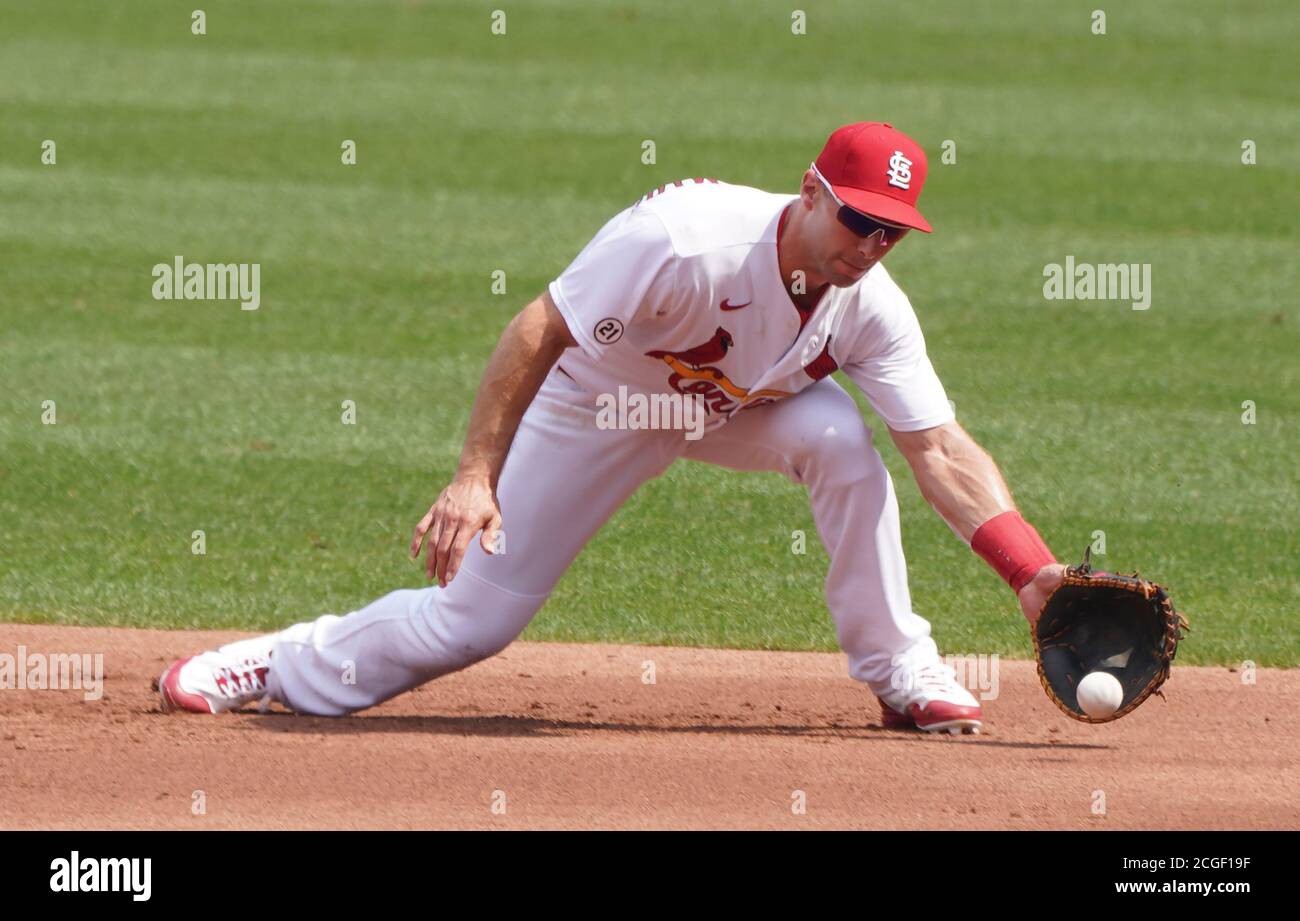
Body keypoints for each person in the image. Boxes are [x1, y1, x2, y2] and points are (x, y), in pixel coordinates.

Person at [159, 122, 1066, 734]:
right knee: (470, 625)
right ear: (811, 192)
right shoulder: (685, 238)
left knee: (839, 440)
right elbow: (539, 326)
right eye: (859, 221)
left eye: (892, 234)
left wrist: (1034, 575)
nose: (870, 248)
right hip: (596, 401)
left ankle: (901, 671)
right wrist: (476, 474)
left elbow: (939, 447)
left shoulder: (870, 304)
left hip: (729, 409)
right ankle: (276, 665)